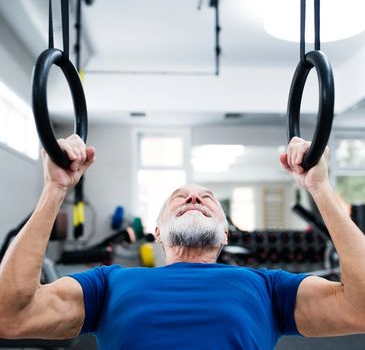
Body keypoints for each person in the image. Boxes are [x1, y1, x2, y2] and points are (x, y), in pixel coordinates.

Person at [0, 134, 365, 350]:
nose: (194, 198)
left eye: (207, 198)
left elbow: (360, 308)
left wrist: (320, 187)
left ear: (225, 233)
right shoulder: (107, 284)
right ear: (157, 232)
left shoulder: (269, 288)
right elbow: (10, 316)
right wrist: (55, 189)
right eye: (180, 196)